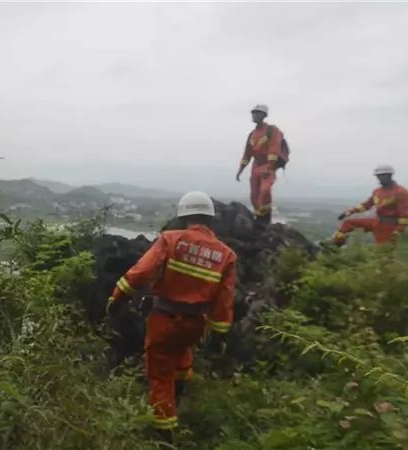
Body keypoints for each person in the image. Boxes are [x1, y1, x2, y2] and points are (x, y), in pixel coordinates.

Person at [106, 191, 237, 441]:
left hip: (165, 319)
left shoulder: (170, 239)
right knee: (181, 354)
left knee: (160, 374)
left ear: (184, 216)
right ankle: (180, 394)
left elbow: (141, 272)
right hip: (195, 325)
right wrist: (219, 335)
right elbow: (224, 301)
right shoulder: (226, 255)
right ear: (209, 219)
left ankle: (163, 434)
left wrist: (117, 296)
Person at [329, 165, 408, 247]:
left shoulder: (400, 192)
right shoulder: (377, 191)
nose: (380, 178)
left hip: (389, 226)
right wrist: (349, 212)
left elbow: (404, 214)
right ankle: (335, 245)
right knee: (348, 223)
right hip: (377, 221)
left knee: (383, 250)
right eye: (378, 176)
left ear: (390, 175)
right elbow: (367, 205)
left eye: (383, 175)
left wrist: (398, 230)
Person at [236, 104, 285, 229]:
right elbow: (247, 153)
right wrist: (240, 170)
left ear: (264, 115)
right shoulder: (252, 134)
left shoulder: (272, 130)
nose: (254, 115)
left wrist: (269, 167)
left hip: (268, 165)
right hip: (256, 166)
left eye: (257, 113)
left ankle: (265, 220)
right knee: (254, 194)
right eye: (253, 113)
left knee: (265, 191)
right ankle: (258, 219)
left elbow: (275, 148)